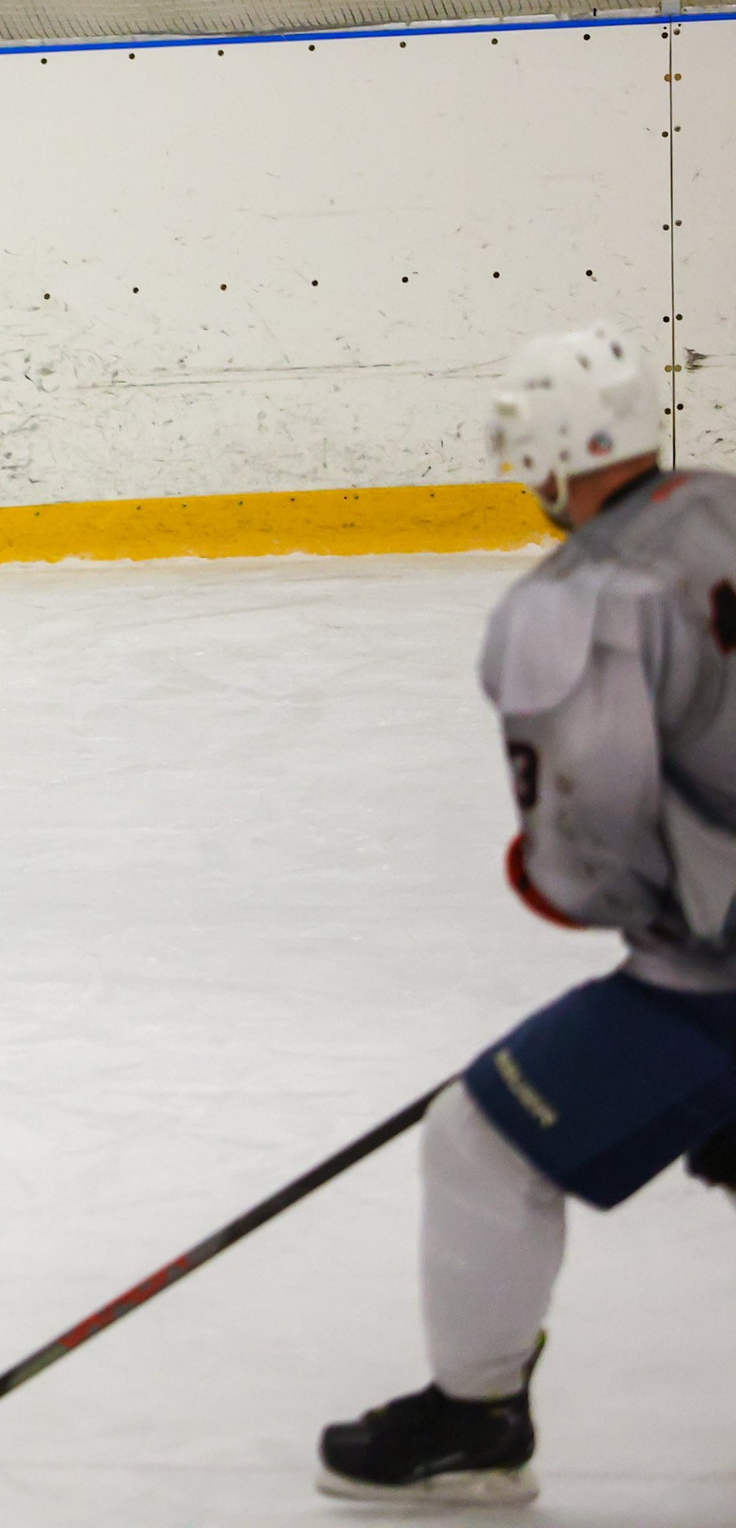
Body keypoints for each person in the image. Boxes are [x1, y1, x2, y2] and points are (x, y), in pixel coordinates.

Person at [317, 323, 736, 1504]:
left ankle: (474, 1419)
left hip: (716, 974)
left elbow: (583, 855)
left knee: (479, 1145)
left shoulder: (578, 600)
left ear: (554, 453)